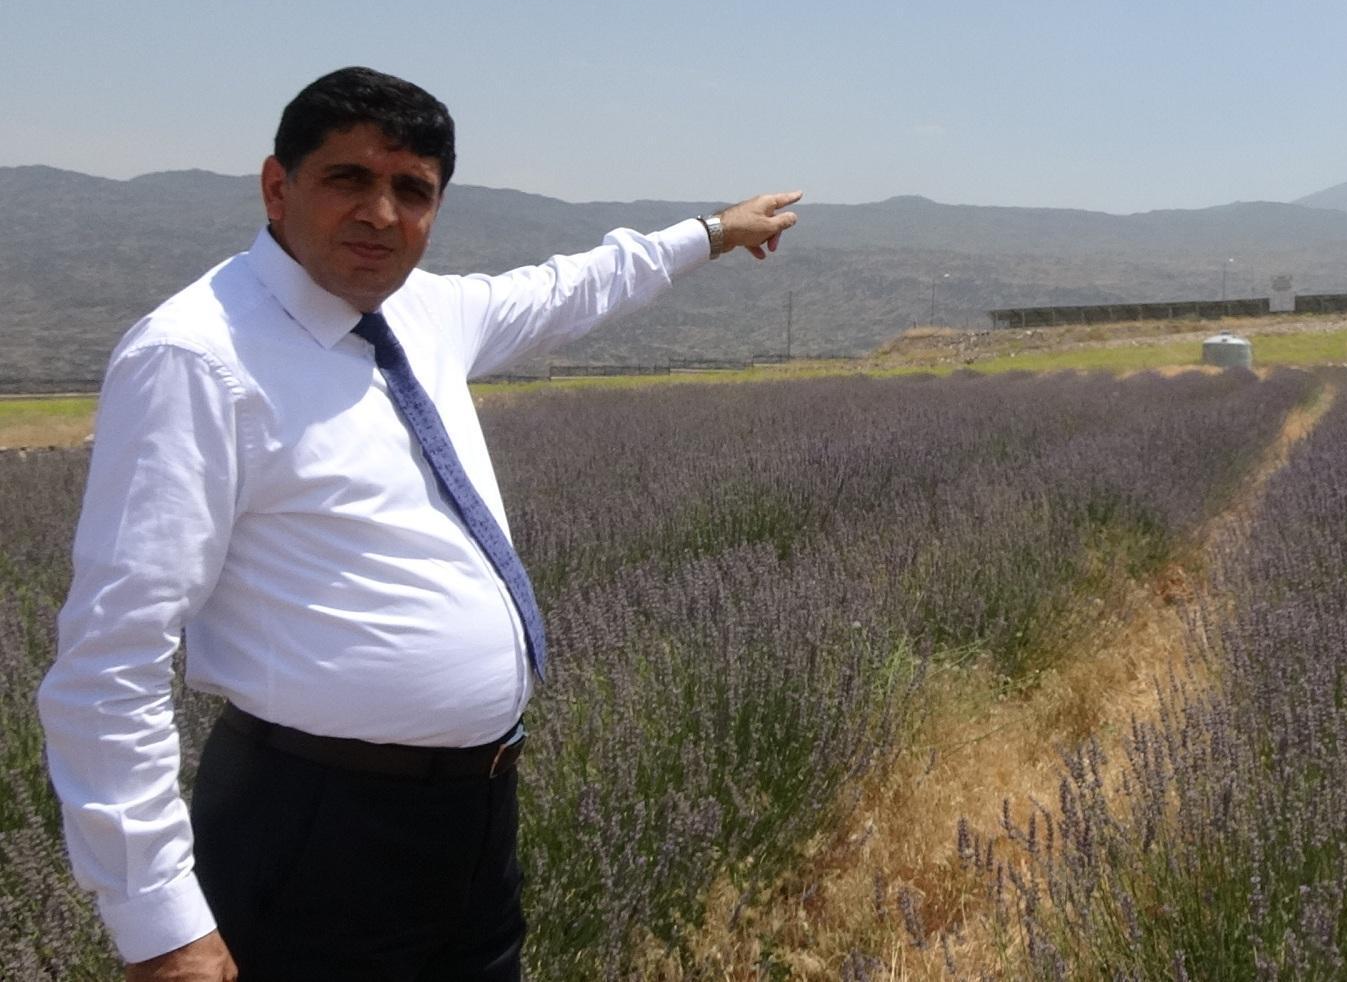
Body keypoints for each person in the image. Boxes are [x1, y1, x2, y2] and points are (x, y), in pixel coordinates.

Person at [37, 67, 803, 981]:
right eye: (348, 180)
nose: (382, 214)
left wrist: (713, 233)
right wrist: (159, 925)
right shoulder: (197, 358)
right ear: (278, 187)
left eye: (412, 190)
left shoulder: (421, 310)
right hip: (315, 826)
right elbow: (108, 656)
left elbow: (572, 287)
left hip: (473, 822)